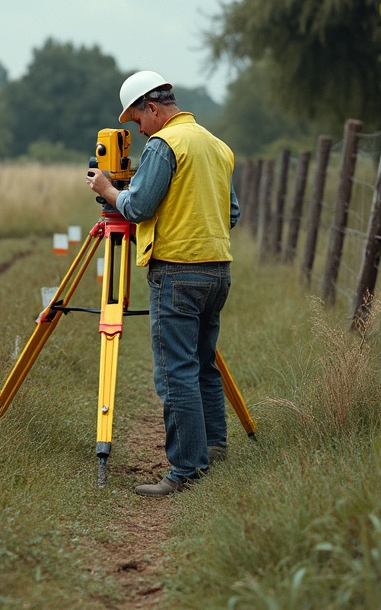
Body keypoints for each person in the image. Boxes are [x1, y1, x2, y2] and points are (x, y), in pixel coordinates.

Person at [86, 70, 239, 497]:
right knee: (203, 362)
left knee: (175, 372)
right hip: (217, 271)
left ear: (152, 108)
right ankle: (213, 446)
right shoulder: (216, 145)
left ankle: (186, 469)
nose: (138, 130)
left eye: (138, 119)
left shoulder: (164, 144)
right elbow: (232, 213)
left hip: (177, 272)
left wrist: (107, 188)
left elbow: (137, 207)